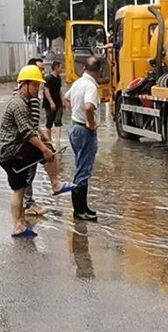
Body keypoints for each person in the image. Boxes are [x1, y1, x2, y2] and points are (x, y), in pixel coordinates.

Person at [0, 65, 75, 237]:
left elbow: (32, 127)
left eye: (38, 85)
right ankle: (56, 183)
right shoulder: (18, 103)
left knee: (20, 189)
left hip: (6, 154)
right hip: (12, 151)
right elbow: (27, 132)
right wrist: (44, 149)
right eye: (34, 85)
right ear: (23, 84)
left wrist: (43, 136)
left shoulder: (23, 102)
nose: (37, 89)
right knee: (48, 150)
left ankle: (18, 226)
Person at [65, 57, 102, 221]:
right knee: (83, 170)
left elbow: (66, 97)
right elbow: (89, 106)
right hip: (84, 130)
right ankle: (79, 210)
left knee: (81, 167)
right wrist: (90, 122)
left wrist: (75, 111)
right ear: (99, 70)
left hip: (75, 127)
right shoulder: (90, 86)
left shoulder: (78, 83)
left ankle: (82, 207)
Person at [19, 58, 48, 216]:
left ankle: (26, 202)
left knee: (31, 171)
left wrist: (42, 134)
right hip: (27, 140)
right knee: (28, 173)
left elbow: (33, 120)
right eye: (39, 70)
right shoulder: (23, 97)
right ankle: (27, 203)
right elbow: (25, 124)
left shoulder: (34, 92)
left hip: (33, 135)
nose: (41, 74)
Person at [43, 61, 65, 143]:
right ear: (56, 67)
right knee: (49, 122)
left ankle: (58, 141)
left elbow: (59, 90)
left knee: (58, 121)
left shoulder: (58, 78)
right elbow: (46, 90)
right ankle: (49, 140)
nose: (61, 69)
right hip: (49, 104)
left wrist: (63, 100)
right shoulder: (48, 78)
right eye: (60, 67)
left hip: (58, 102)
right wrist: (51, 102)